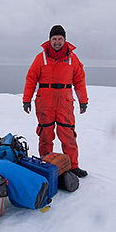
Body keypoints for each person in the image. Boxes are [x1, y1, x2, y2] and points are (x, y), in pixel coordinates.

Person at [23, 25, 89, 177]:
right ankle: (45, 165)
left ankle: (73, 166)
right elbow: (31, 79)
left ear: (65, 40)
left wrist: (83, 100)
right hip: (45, 101)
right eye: (54, 39)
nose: (57, 42)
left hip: (65, 101)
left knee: (68, 134)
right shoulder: (41, 58)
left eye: (60, 39)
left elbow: (79, 81)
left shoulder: (73, 58)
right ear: (50, 40)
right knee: (45, 135)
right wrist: (26, 99)